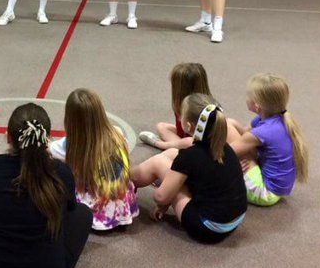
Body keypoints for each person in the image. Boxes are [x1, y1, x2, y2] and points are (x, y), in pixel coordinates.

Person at [0, 103, 93, 268]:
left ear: (8, 137)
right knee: (82, 214)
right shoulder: (61, 172)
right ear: (47, 139)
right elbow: (69, 210)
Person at [130, 94, 247, 244]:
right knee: (172, 154)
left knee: (158, 162)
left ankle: (125, 179)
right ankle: (135, 177)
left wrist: (164, 199)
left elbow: (160, 197)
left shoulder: (190, 156)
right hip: (235, 219)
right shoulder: (224, 147)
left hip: (208, 227)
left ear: (188, 126)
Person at [50, 88, 138, 231]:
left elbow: (48, 150)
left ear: (69, 119)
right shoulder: (117, 133)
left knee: (55, 172)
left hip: (96, 209)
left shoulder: (69, 145)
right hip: (121, 201)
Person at [230, 74, 309, 205]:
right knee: (229, 123)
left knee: (228, 132)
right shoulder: (274, 118)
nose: (246, 98)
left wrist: (232, 166)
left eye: (248, 95)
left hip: (266, 193)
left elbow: (226, 153)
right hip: (277, 187)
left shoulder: (263, 132)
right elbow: (244, 132)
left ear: (257, 106)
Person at [138, 62, 245, 151]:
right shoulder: (180, 104)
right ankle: (177, 146)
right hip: (188, 136)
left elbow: (231, 141)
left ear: (180, 89)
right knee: (161, 126)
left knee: (183, 146)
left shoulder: (206, 112)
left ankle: (164, 145)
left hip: (200, 147)